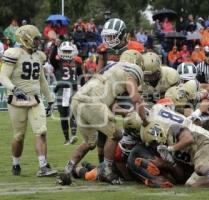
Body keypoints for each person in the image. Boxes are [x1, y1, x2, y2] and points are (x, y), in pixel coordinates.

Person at [63, 50, 148, 184]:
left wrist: (125, 112)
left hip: (78, 99)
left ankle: (67, 169)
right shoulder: (132, 70)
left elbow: (111, 104)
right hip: (93, 101)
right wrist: (145, 120)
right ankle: (107, 170)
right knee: (116, 134)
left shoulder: (111, 69)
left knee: (90, 142)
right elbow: (136, 97)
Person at [0, 25, 57, 176]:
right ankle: (16, 163)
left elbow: (42, 80)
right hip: (17, 100)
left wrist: (50, 100)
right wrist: (14, 89)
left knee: (41, 131)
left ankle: (43, 166)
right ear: (26, 39)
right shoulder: (14, 53)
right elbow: (3, 76)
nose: (39, 42)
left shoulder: (39, 56)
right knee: (19, 136)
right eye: (36, 39)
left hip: (35, 99)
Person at [49, 41, 84, 145]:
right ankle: (66, 138)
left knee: (73, 113)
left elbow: (81, 78)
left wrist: (84, 88)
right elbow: (51, 58)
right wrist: (55, 46)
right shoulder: (57, 63)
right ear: (60, 51)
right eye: (65, 51)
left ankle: (73, 136)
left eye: (69, 51)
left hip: (73, 90)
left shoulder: (77, 62)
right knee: (63, 115)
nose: (67, 53)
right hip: (61, 90)